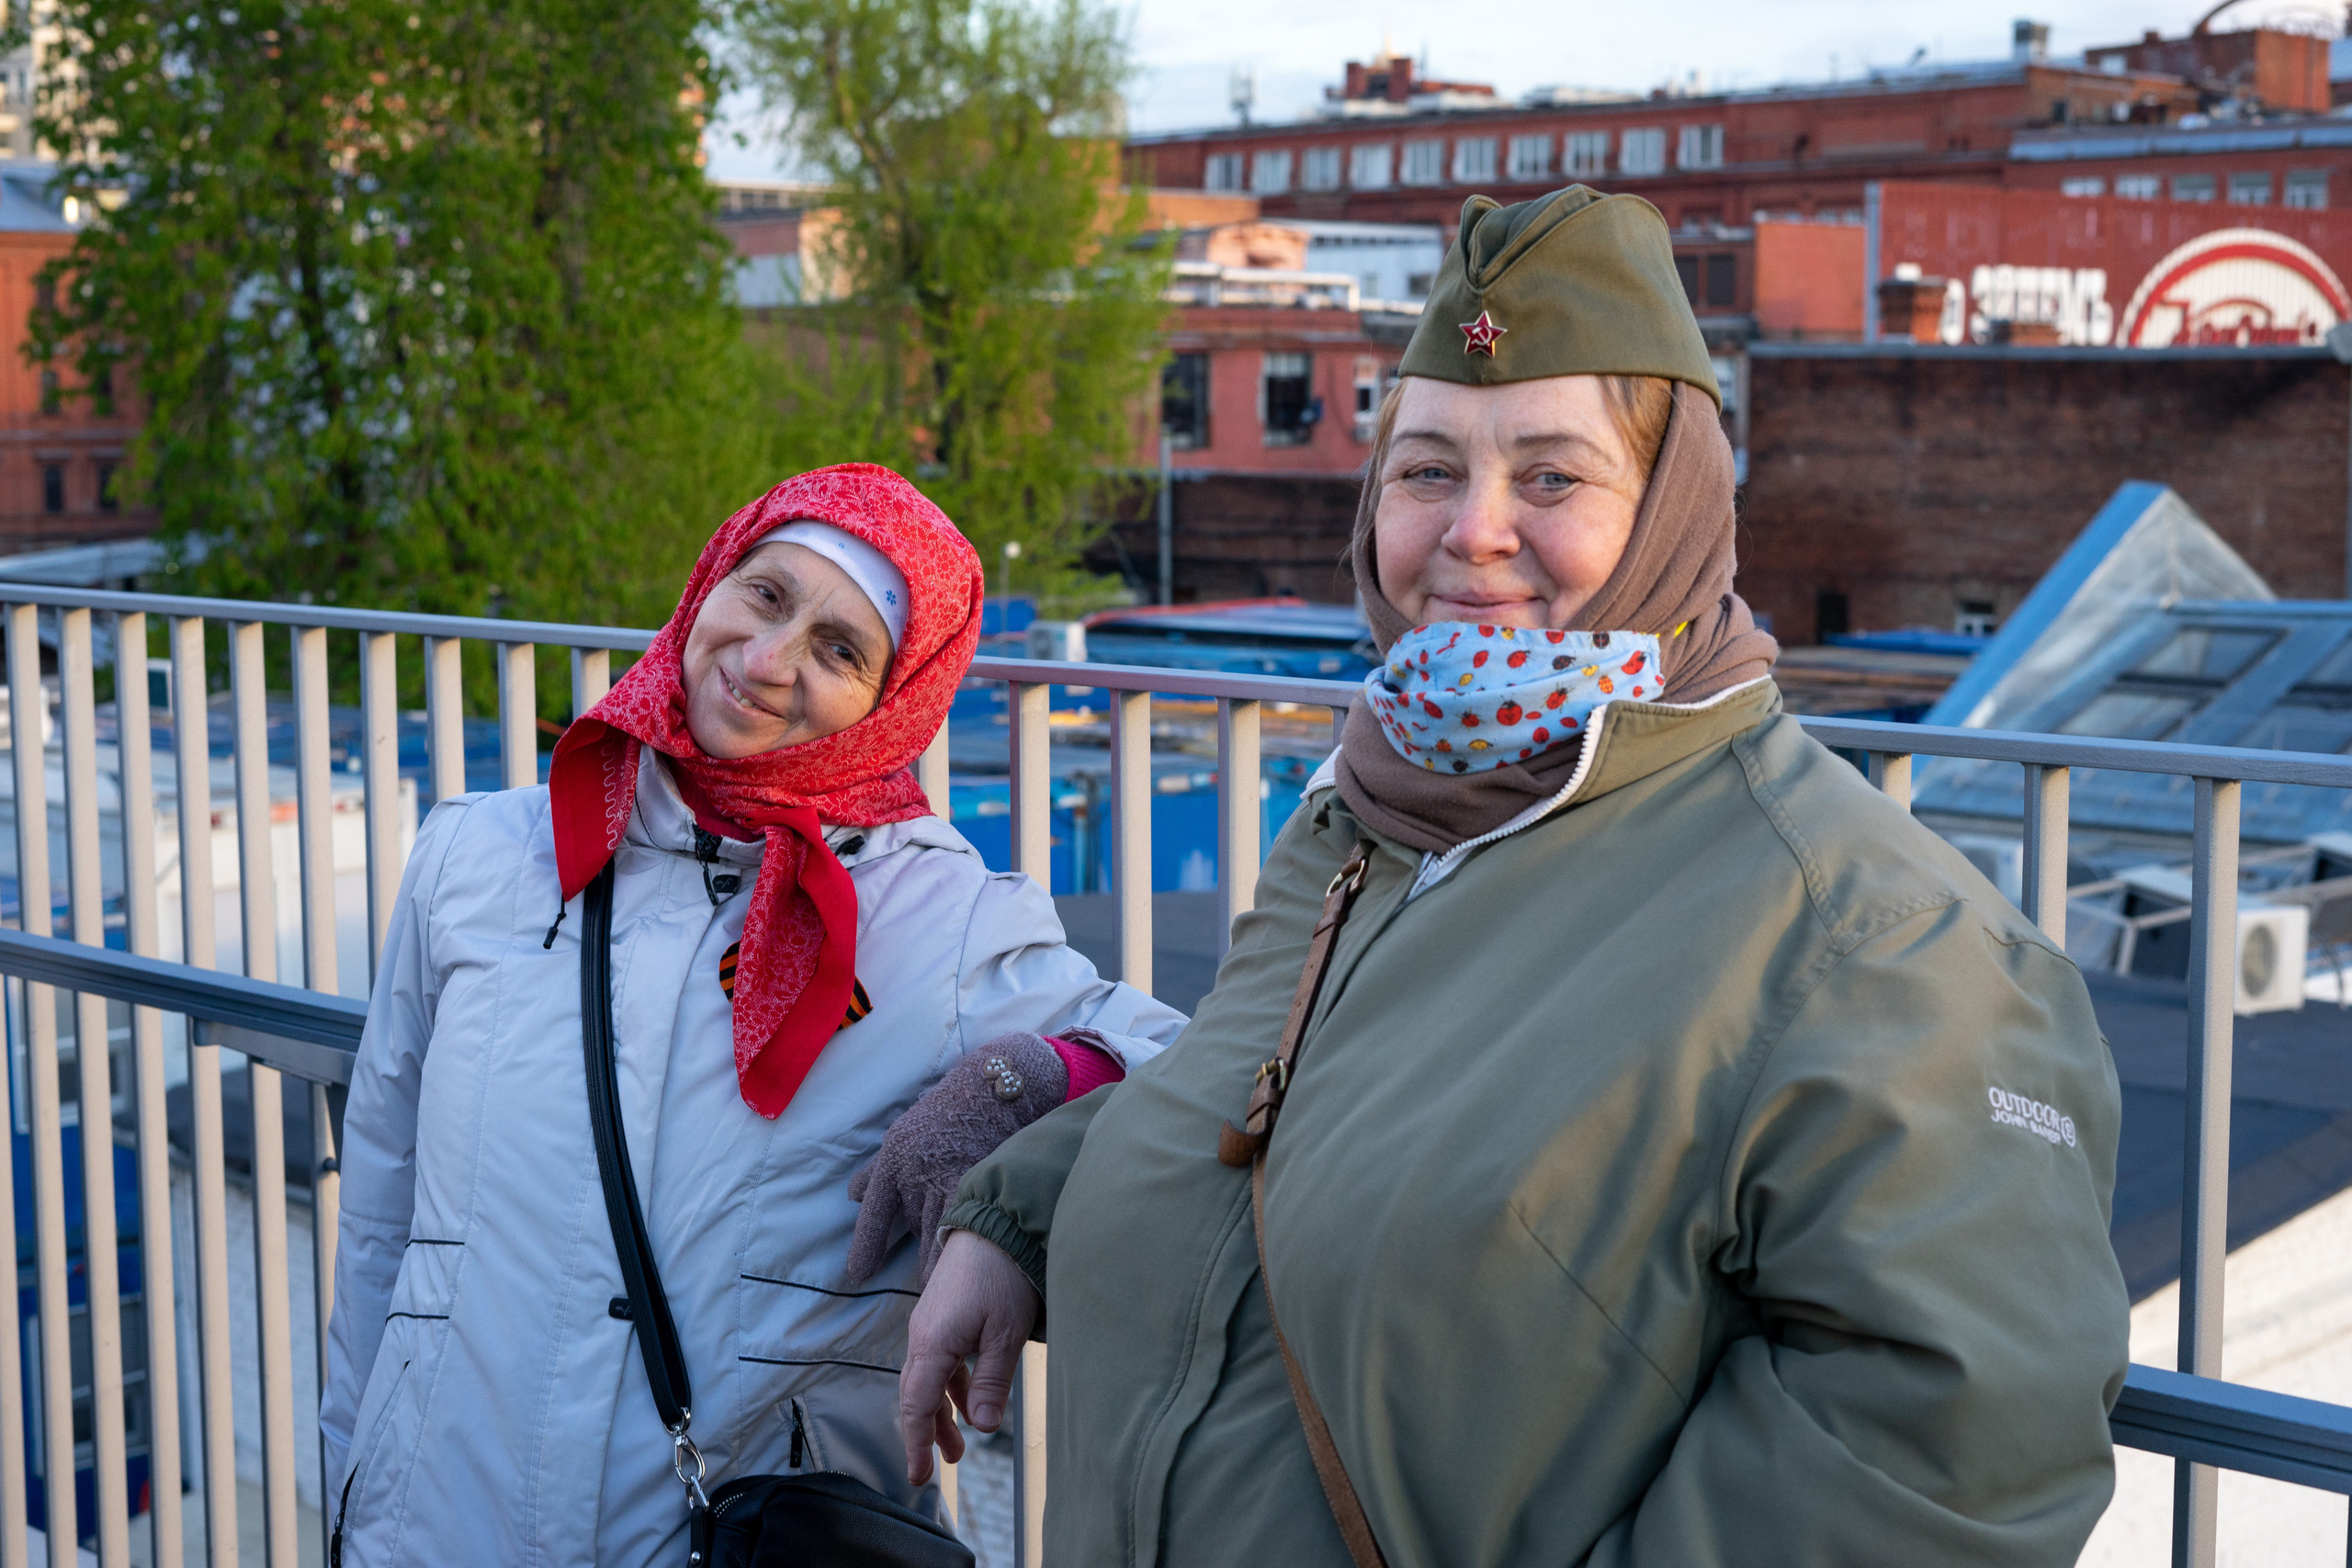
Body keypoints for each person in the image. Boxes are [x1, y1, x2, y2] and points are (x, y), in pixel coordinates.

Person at [900, 187, 2132, 1566]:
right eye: (1428, 470)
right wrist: (1021, 1207)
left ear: (1674, 513)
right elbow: (1300, 1113)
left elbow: (1950, 1463)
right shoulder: (1369, 819)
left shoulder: (1878, 940)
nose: (1475, 529)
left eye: (1552, 477)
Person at [322, 464, 1186, 1566]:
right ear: (711, 581)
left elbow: (1193, 1071)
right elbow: (381, 1213)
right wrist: (349, 1480)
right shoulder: (477, 857)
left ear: (897, 700)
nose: (769, 662)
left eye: (839, 649)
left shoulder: (946, 927)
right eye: (767, 596)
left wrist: (1013, 1098)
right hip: (433, 1528)